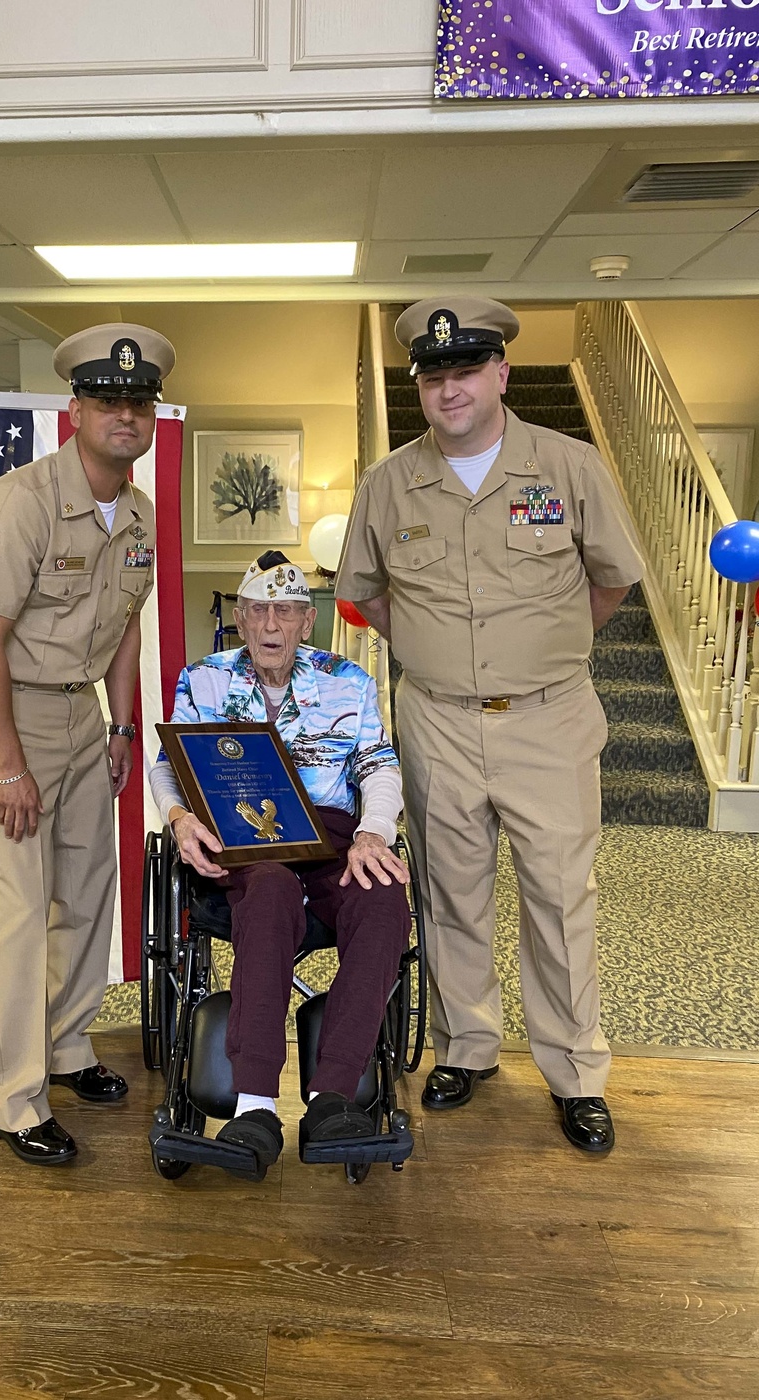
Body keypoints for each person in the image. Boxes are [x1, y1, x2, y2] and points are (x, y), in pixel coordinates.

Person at [336, 297, 643, 1154]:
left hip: (549, 721)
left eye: (466, 370)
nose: (450, 389)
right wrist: (443, 658)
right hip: (437, 722)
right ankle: (466, 1047)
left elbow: (611, 580)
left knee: (558, 900)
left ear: (501, 373)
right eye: (434, 377)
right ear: (421, 390)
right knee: (451, 898)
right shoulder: (388, 483)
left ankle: (576, 1073)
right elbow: (365, 594)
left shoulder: (568, 465)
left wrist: (537, 652)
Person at [0, 322, 175, 1164]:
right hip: (9, 713)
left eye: (139, 400)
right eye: (109, 400)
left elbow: (124, 631)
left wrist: (120, 726)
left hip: (83, 716)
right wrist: (8, 764)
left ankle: (67, 1044)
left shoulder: (141, 514)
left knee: (85, 887)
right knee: (20, 907)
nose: (126, 414)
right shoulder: (19, 504)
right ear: (74, 409)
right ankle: (12, 1094)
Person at [149, 552, 412, 1180]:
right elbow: (169, 762)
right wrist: (180, 819)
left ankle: (332, 1100)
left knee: (384, 899)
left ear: (306, 622)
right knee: (267, 892)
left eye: (287, 612)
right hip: (246, 836)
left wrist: (374, 833)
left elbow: (378, 765)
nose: (272, 624)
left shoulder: (347, 680)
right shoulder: (203, 679)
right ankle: (255, 1105)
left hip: (331, 831)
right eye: (259, 610)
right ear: (240, 618)